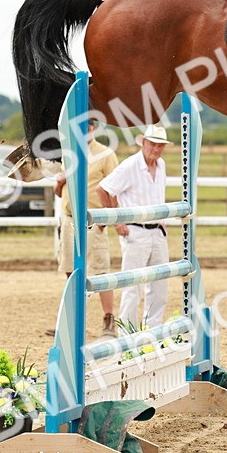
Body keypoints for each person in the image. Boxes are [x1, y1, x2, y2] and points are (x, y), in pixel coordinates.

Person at [46, 119, 120, 337]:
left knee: (99, 269)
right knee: (70, 270)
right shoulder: (69, 154)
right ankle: (72, 320)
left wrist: (107, 218)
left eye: (86, 126)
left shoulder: (105, 154)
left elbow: (114, 188)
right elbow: (59, 192)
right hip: (69, 217)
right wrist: (60, 182)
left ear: (93, 128)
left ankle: (109, 319)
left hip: (92, 219)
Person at [97, 124, 171, 332]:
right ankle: (127, 334)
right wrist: (116, 221)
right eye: (153, 145)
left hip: (158, 230)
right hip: (135, 231)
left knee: (160, 285)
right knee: (133, 286)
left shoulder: (161, 165)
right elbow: (103, 189)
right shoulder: (130, 166)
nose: (156, 149)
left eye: (160, 146)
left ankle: (152, 330)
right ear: (144, 143)